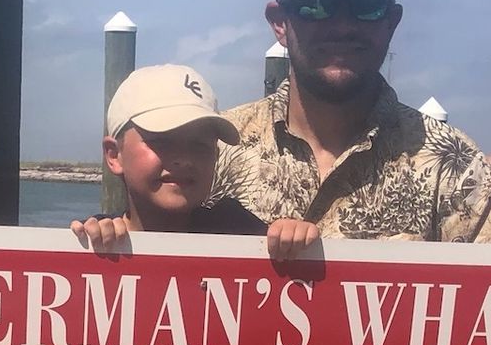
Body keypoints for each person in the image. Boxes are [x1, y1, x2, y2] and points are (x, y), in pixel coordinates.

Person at [208, 0, 491, 247]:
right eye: (316, 5)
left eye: (365, 6)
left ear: (391, 22)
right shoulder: (214, 149)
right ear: (279, 22)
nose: (342, 26)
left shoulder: (455, 167)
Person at [71, 63, 321, 255]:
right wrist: (91, 240)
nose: (184, 158)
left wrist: (291, 238)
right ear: (114, 155)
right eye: (162, 140)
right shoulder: (96, 240)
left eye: (200, 145)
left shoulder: (238, 229)